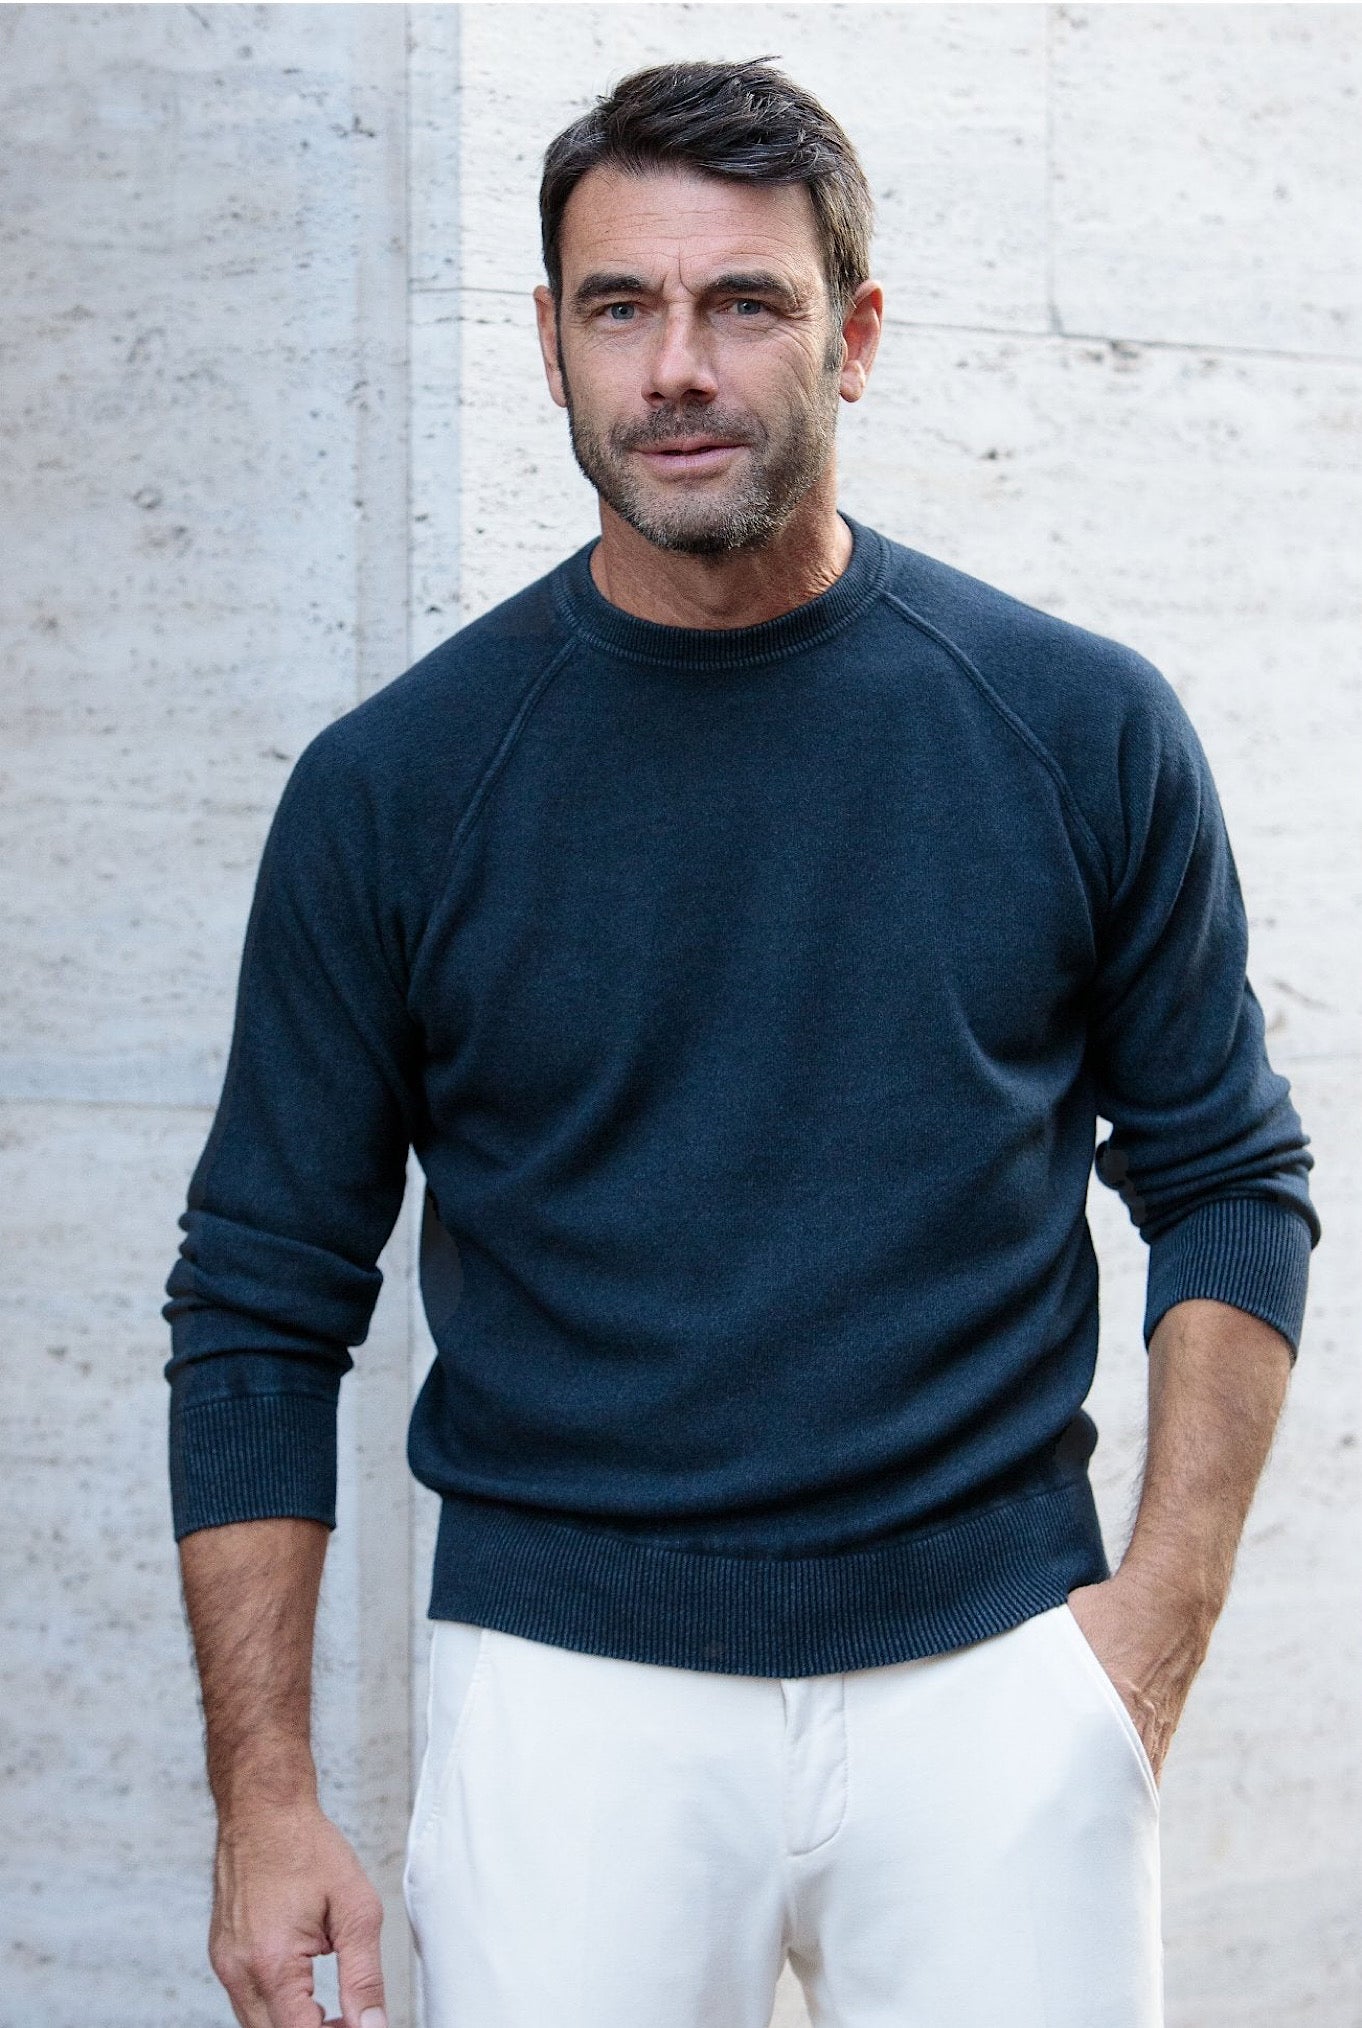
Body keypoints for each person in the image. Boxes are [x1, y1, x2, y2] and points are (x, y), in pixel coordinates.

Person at [164, 57, 1320, 2028]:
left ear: (852, 336)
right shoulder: (397, 788)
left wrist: (1152, 1633)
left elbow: (1229, 1180)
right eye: (620, 306)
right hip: (569, 1700)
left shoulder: (1073, 727)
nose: (676, 367)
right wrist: (263, 1800)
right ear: (549, 343)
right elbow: (262, 1299)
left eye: (743, 303)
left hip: (995, 1678)